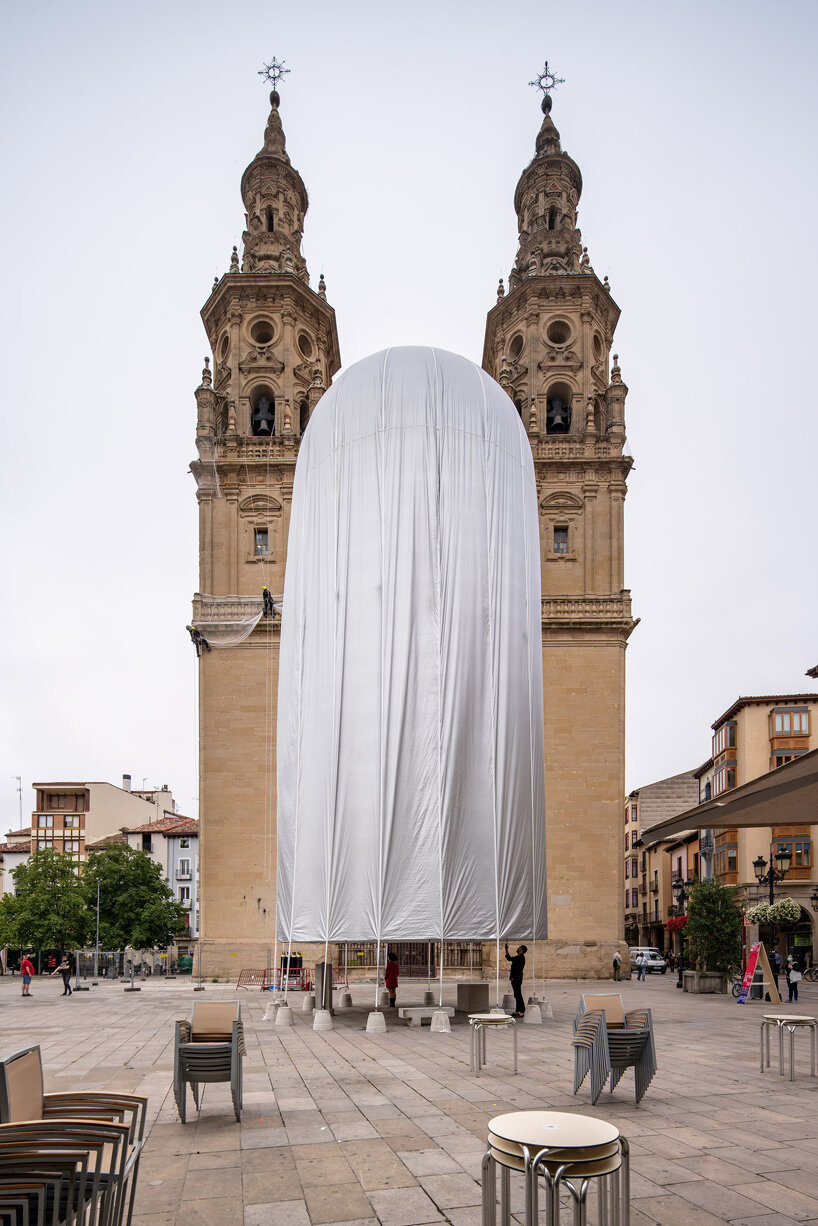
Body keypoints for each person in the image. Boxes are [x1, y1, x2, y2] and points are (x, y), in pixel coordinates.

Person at [504, 942, 527, 1017]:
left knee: (518, 994)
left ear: (522, 950)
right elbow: (509, 958)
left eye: (519, 947)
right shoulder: (519, 957)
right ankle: (517, 1010)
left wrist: (506, 949)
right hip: (516, 978)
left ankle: (522, 1010)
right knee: (516, 995)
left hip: (517, 979)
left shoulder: (520, 957)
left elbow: (510, 959)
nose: (517, 948)